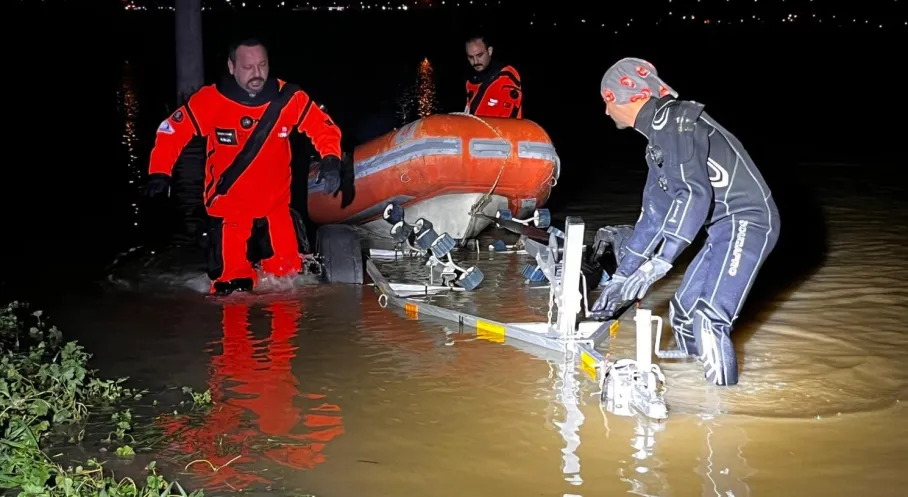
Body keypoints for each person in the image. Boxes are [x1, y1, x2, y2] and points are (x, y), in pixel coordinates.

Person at [591, 57, 780, 386]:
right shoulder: (658, 142)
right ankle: (697, 388)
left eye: (608, 101)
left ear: (632, 97)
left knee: (709, 319)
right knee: (682, 313)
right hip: (722, 229)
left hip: (749, 220)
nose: (606, 112)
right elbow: (653, 218)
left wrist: (660, 263)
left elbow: (693, 195)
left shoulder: (676, 120)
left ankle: (722, 414)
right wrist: (621, 279)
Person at [145, 38, 353, 296]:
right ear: (231, 67)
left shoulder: (289, 98)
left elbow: (323, 126)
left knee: (290, 284)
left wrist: (331, 158)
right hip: (230, 212)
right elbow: (171, 132)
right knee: (232, 291)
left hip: (275, 211)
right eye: (248, 67)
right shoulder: (210, 101)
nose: (257, 73)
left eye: (262, 65)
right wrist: (159, 172)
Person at [464, 34, 523, 119]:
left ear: (490, 51)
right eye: (470, 57)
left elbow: (507, 119)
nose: (475, 61)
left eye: (480, 55)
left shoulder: (506, 76)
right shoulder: (470, 81)